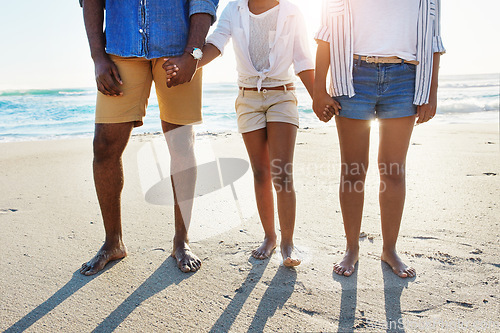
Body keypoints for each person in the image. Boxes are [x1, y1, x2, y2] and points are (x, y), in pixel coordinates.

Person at [165, 0, 316, 267]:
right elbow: (215, 43)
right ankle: (270, 237)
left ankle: (287, 242)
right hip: (248, 99)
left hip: (282, 95)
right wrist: (192, 63)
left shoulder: (291, 11)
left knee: (282, 172)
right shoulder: (234, 10)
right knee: (261, 173)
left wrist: (318, 98)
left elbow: (303, 59)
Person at [79, 0, 219, 275]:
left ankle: (182, 241)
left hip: (178, 48)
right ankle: (112, 242)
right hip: (121, 47)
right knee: (104, 146)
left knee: (181, 143)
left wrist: (193, 54)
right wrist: (98, 57)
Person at [313, 0, 445, 277]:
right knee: (353, 170)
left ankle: (390, 250)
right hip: (352, 76)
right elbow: (326, 33)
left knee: (393, 170)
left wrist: (431, 92)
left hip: (405, 78)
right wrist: (318, 90)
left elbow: (433, 39)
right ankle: (352, 249)